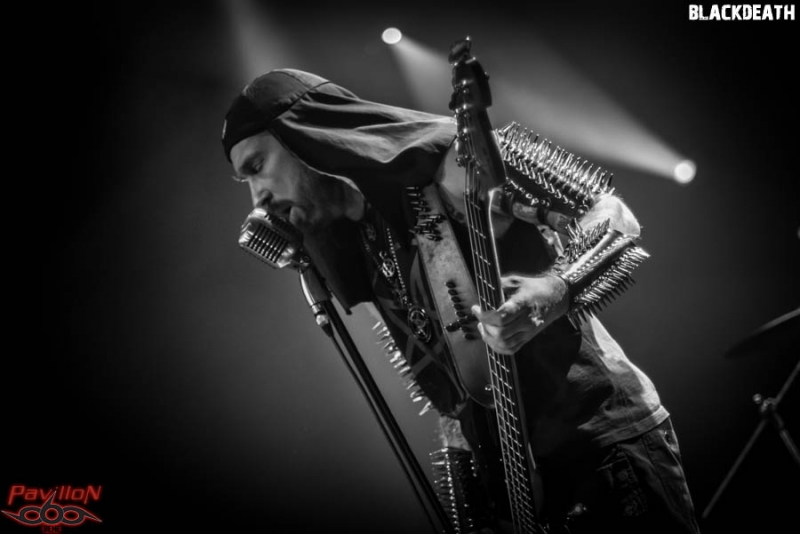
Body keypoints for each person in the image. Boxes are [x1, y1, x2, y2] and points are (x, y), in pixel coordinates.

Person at [220, 67, 702, 534]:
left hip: (601, 446)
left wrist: (555, 289)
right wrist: (473, 501)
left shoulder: (453, 164)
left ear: (305, 135)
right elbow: (455, 386)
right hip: (522, 495)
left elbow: (613, 215)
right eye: (245, 183)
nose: (257, 198)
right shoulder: (361, 240)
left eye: (257, 167)